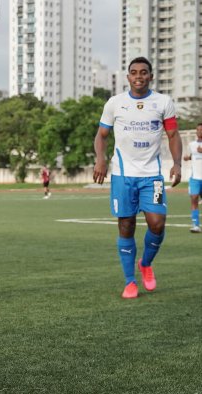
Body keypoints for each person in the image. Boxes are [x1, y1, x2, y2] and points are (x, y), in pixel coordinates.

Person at [93, 56, 182, 299]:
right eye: (134, 72)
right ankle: (130, 281)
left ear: (151, 76)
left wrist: (176, 164)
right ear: (128, 77)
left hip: (151, 174)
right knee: (126, 225)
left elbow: (173, 135)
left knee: (157, 223)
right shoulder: (115, 103)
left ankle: (146, 263)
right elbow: (101, 135)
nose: (139, 76)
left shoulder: (163, 102)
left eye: (144, 72)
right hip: (123, 174)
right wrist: (100, 159)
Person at [182, 122, 202, 233]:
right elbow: (193, 155)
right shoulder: (192, 144)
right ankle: (195, 225)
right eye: (198, 130)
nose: (200, 132)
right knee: (194, 199)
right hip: (195, 178)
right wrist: (187, 157)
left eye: (201, 130)